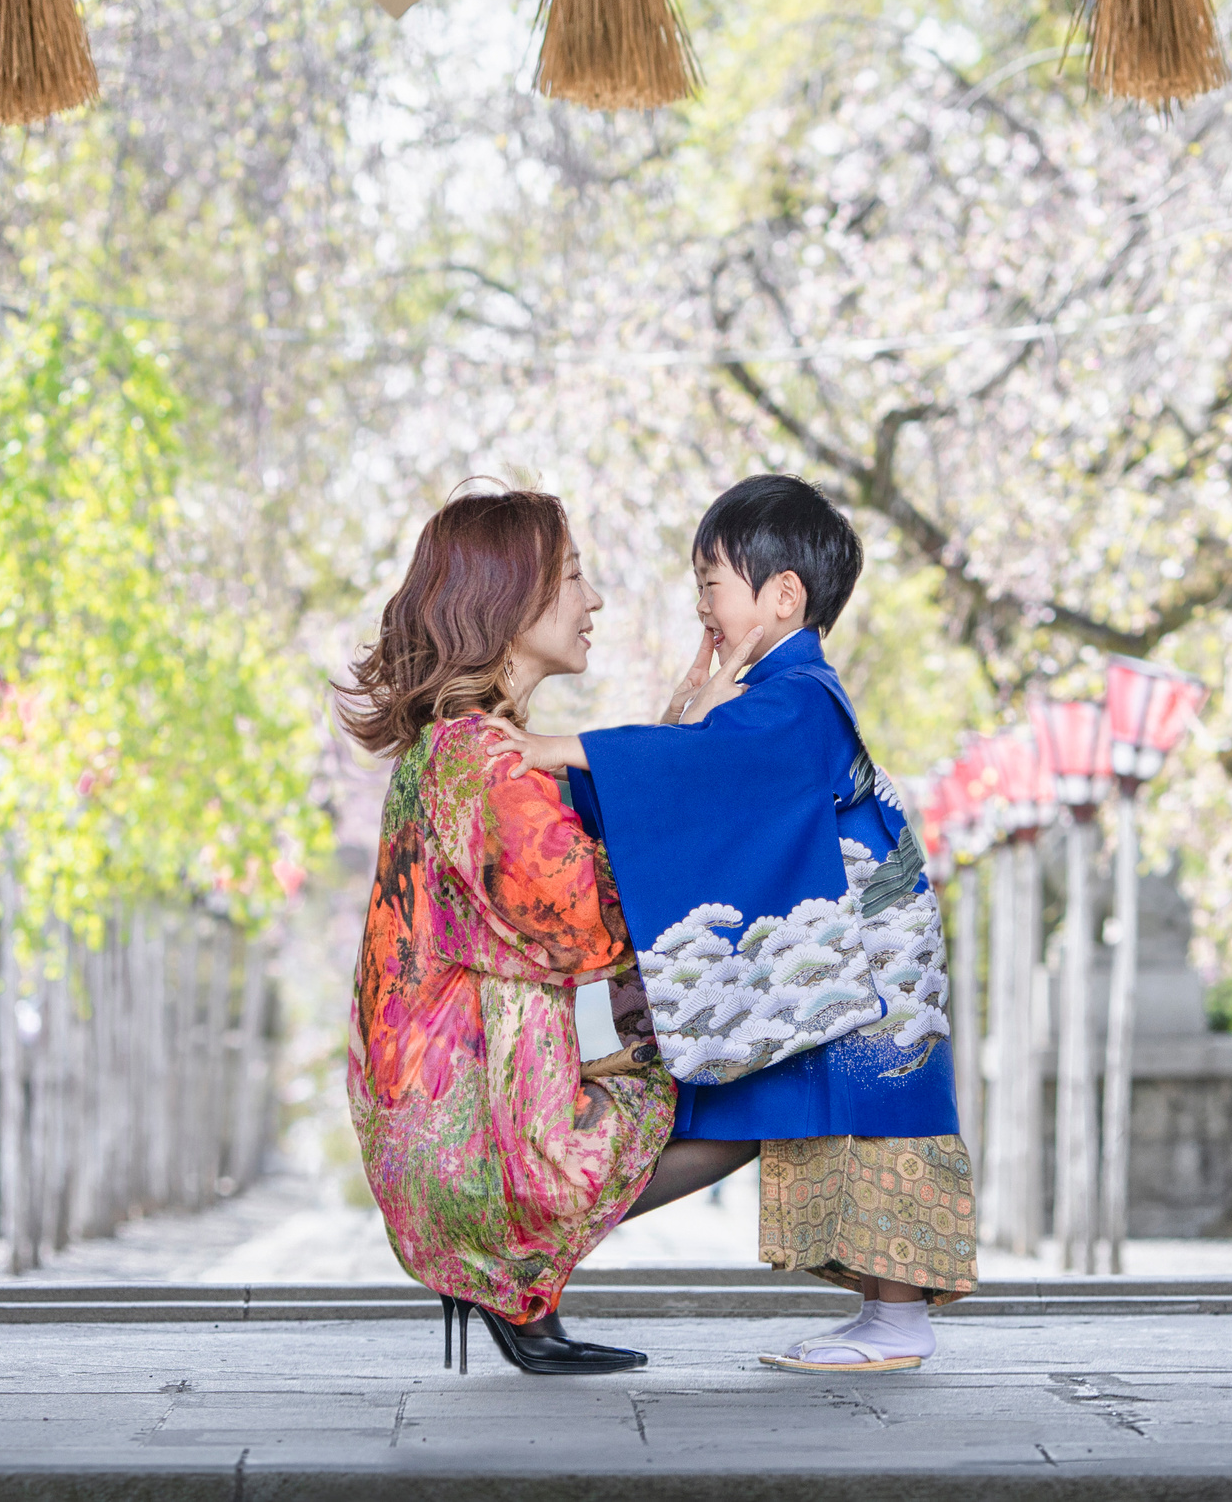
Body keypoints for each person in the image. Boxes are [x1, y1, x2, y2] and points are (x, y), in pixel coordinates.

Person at [484, 475, 975, 1374]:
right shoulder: (773, 693)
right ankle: (538, 1236)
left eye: (711, 582)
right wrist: (680, 723)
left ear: (783, 594)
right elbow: (702, 775)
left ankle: (898, 1318)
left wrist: (559, 750)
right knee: (761, 1116)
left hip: (870, 964)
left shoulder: (801, 694)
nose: (701, 605)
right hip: (837, 953)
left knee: (867, 1116)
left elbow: (711, 768)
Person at [337, 488, 674, 1376]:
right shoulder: (479, 759)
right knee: (730, 1086)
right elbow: (585, 923)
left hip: (434, 1124)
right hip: (470, 1147)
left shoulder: (456, 748)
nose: (594, 599)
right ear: (509, 599)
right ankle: (510, 1263)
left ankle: (521, 1286)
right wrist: (686, 750)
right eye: (573, 577)